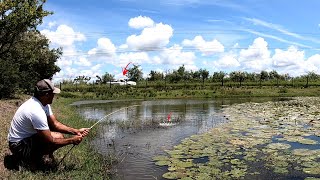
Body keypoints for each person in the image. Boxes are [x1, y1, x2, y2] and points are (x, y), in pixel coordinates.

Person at [7, 79, 90, 170]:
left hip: (25, 139)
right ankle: (27, 160)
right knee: (57, 137)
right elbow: (51, 141)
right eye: (53, 93)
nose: (54, 96)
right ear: (47, 95)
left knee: (56, 134)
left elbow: (55, 124)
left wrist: (76, 131)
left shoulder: (43, 104)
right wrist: (72, 140)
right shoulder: (35, 110)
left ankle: (37, 157)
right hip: (18, 146)